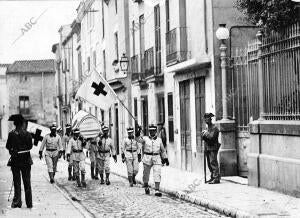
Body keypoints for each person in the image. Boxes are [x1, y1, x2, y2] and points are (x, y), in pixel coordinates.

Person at [6, 114, 33, 208]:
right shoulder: (27, 134)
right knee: (27, 182)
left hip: (15, 161)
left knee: (17, 182)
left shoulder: (11, 134)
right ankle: (29, 203)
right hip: (26, 160)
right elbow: (30, 146)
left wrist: (13, 151)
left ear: (14, 124)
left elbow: (8, 147)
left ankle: (17, 202)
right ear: (22, 124)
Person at [138, 124, 169, 197]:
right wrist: (138, 131)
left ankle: (157, 190)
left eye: (153, 131)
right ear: (149, 131)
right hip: (147, 158)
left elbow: (163, 150)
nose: (152, 132)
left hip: (156, 158)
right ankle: (146, 186)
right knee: (146, 175)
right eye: (151, 131)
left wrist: (165, 158)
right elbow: (138, 139)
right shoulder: (145, 139)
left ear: (156, 131)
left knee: (157, 173)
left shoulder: (159, 140)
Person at [201, 113, 221, 184]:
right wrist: (203, 134)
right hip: (207, 148)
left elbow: (212, 137)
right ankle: (212, 176)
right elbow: (205, 138)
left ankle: (216, 178)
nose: (206, 120)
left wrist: (206, 133)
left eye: (207, 119)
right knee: (209, 163)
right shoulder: (207, 128)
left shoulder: (215, 128)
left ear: (210, 119)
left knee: (213, 162)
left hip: (213, 147)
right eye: (205, 119)